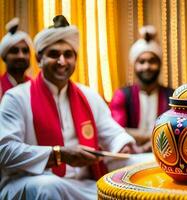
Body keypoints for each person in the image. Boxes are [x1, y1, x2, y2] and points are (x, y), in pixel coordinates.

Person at [0, 15, 145, 200]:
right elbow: (5, 150)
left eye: (68, 55)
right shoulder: (16, 98)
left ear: (75, 59)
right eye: (54, 54)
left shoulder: (88, 96)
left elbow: (112, 132)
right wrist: (58, 154)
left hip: (83, 185)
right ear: (39, 59)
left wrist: (122, 145)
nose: (62, 61)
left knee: (143, 163)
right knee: (49, 188)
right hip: (30, 180)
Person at [109, 25, 173, 153]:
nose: (147, 67)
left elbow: (179, 129)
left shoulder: (173, 96)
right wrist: (153, 137)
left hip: (166, 154)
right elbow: (116, 130)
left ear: (160, 64)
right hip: (132, 155)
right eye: (142, 62)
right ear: (134, 65)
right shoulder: (122, 95)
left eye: (152, 61)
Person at [0, 18, 32, 100]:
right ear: (4, 57)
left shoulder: (34, 86)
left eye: (25, 51)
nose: (21, 56)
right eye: (14, 51)